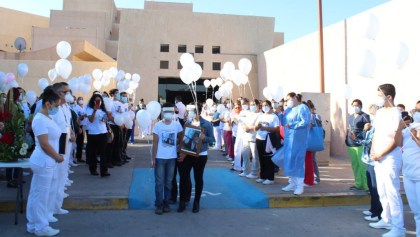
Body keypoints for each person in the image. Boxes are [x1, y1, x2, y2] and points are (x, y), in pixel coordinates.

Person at [369, 84, 406, 237]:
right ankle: (387, 219)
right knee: (382, 190)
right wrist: (373, 151)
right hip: (378, 156)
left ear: (389, 97)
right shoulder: (380, 113)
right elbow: (376, 134)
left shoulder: (396, 113)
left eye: (379, 96)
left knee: (392, 191)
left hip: (390, 157)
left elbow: (396, 140)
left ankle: (399, 228)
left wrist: (382, 153)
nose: (377, 99)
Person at [26, 88, 64, 236]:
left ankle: (33, 224)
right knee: (41, 196)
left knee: (36, 194)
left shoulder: (47, 118)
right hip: (44, 161)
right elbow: (44, 144)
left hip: (46, 160)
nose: (57, 108)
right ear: (48, 104)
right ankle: (41, 227)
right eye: (56, 105)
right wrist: (57, 157)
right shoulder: (40, 119)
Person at [177, 103, 215, 213]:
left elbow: (212, 139)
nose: (190, 113)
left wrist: (204, 138)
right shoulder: (187, 123)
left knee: (198, 178)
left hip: (201, 155)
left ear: (198, 111)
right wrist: (183, 152)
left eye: (192, 110)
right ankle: (182, 201)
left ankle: (196, 202)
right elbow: (185, 139)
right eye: (189, 111)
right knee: (184, 177)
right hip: (188, 154)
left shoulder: (206, 124)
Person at [151, 103, 183, 215]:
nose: (168, 114)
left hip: (172, 158)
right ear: (162, 112)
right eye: (166, 111)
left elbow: (182, 138)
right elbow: (155, 143)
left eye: (171, 111)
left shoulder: (176, 125)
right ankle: (159, 204)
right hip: (160, 157)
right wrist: (153, 158)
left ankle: (166, 203)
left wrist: (182, 149)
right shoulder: (158, 126)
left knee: (169, 182)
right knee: (159, 182)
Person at [355, 105, 382, 222]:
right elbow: (365, 137)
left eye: (372, 114)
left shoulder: (379, 127)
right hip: (368, 159)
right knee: (371, 186)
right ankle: (373, 209)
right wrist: (364, 131)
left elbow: (368, 142)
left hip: (375, 160)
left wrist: (356, 138)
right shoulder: (371, 126)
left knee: (376, 188)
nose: (370, 117)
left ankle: (378, 213)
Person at [281, 93, 310, 195]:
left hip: (299, 139)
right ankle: (292, 183)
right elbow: (283, 122)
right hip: (289, 139)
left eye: (289, 99)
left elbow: (305, 122)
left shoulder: (303, 108)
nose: (287, 101)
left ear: (294, 98)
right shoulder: (289, 110)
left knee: (298, 161)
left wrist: (292, 124)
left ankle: (299, 186)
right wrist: (281, 113)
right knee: (290, 161)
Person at [399, 118, 420, 236]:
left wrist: (416, 138)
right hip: (408, 175)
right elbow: (398, 143)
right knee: (416, 210)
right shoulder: (407, 130)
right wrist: (399, 127)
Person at [253, 100, 279, 185]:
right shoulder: (261, 116)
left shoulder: (274, 116)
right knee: (261, 158)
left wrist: (265, 128)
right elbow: (255, 128)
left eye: (266, 105)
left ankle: (270, 178)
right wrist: (258, 127)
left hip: (268, 139)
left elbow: (277, 128)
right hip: (259, 138)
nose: (265, 107)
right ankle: (262, 176)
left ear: (270, 106)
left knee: (268, 158)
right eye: (263, 105)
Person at [346, 99, 370, 191]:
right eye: (354, 105)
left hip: (360, 143)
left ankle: (366, 186)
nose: (355, 107)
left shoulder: (364, 116)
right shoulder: (351, 116)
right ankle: (358, 184)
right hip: (350, 143)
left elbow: (368, 129)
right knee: (355, 165)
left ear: (361, 106)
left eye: (357, 105)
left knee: (362, 165)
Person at [85, 93, 111, 177]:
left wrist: (108, 116)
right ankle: (93, 169)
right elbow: (91, 120)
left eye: (99, 101)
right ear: (93, 101)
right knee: (93, 152)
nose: (98, 102)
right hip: (93, 133)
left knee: (103, 152)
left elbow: (105, 120)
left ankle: (104, 171)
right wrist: (94, 110)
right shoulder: (89, 109)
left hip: (103, 132)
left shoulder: (103, 109)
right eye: (96, 100)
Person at [240, 99, 261, 178]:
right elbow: (243, 122)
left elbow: (258, 126)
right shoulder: (249, 113)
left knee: (255, 156)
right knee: (245, 154)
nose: (252, 106)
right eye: (251, 104)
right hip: (246, 136)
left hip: (254, 137)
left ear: (258, 105)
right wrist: (245, 127)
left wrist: (249, 128)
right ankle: (246, 171)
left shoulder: (260, 114)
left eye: (254, 104)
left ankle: (254, 172)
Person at [74, 96, 86, 163]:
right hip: (79, 125)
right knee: (79, 142)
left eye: (82, 99)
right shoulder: (76, 108)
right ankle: (78, 157)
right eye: (79, 99)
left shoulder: (84, 107)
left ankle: (79, 156)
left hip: (84, 125)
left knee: (81, 142)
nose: (81, 100)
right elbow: (77, 118)